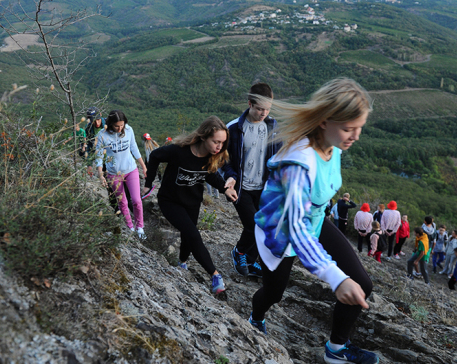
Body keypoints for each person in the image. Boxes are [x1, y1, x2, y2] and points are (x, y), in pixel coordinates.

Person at [249, 78, 378, 364]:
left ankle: (336, 350)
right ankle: (255, 317)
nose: (355, 136)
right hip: (281, 232)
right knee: (273, 293)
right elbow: (294, 229)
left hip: (314, 222)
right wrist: (335, 277)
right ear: (323, 121)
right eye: (348, 128)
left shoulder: (335, 146)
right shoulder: (298, 162)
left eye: (359, 128)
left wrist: (342, 276)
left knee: (361, 283)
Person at [142, 116, 238, 294]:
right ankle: (214, 274)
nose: (219, 146)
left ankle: (182, 263)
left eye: (222, 143)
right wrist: (148, 182)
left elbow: (210, 175)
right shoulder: (179, 151)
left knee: (188, 236)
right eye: (215, 141)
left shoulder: (211, 156)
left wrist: (226, 189)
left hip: (192, 202)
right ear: (203, 137)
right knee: (193, 234)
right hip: (170, 201)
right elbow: (155, 156)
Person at [223, 82, 281, 278]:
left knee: (264, 227)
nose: (263, 113)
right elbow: (225, 160)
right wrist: (230, 177)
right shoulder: (234, 128)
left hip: (265, 188)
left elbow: (280, 155)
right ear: (249, 104)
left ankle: (250, 260)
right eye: (259, 109)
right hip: (241, 188)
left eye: (267, 109)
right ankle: (239, 251)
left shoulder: (273, 126)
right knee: (253, 226)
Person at [95, 110, 146, 239]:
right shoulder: (102, 135)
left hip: (130, 169)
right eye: (117, 126)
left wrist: (144, 166)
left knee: (136, 200)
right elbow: (99, 156)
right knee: (122, 202)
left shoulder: (128, 130)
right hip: (113, 173)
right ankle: (130, 227)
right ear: (111, 124)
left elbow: (134, 147)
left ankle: (140, 227)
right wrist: (101, 175)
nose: (120, 128)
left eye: (122, 125)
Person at [85, 107, 105, 177]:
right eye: (94, 121)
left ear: (101, 114)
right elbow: (89, 146)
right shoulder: (88, 128)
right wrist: (89, 165)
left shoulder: (108, 124)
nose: (97, 123)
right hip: (99, 161)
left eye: (98, 119)